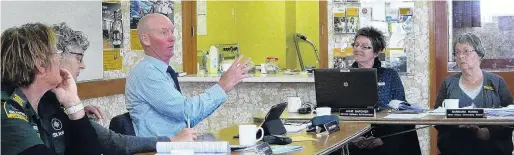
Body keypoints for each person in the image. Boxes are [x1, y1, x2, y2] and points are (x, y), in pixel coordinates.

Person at [49, 22, 194, 155]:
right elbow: (114, 143)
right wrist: (171, 140)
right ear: (57, 58)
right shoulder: (41, 102)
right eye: (79, 59)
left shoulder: (58, 99)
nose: (83, 66)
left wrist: (78, 113)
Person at [125, 13, 249, 137]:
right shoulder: (146, 73)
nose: (172, 38)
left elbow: (187, 119)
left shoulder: (163, 72)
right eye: (164, 32)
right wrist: (222, 86)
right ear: (145, 39)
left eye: (172, 32)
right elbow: (187, 112)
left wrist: (222, 89)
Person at [1, 23, 101, 155]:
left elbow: (90, 151)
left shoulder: (47, 103)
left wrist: (73, 104)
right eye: (57, 53)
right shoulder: (6, 110)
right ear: (41, 64)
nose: (60, 59)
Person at [434, 33, 513, 155]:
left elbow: (510, 117)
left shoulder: (496, 82)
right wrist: (458, 126)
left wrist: (488, 132)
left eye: (466, 51)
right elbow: (437, 118)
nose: (461, 56)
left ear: (479, 54)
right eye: (457, 52)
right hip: (456, 145)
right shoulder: (448, 83)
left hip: (492, 147)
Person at [346, 27, 421, 155]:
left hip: (386, 133)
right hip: (352, 133)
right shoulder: (343, 76)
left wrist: (383, 139)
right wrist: (354, 139)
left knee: (406, 127)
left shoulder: (389, 75)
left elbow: (401, 107)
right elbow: (335, 109)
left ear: (376, 52)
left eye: (365, 47)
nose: (358, 49)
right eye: (356, 45)